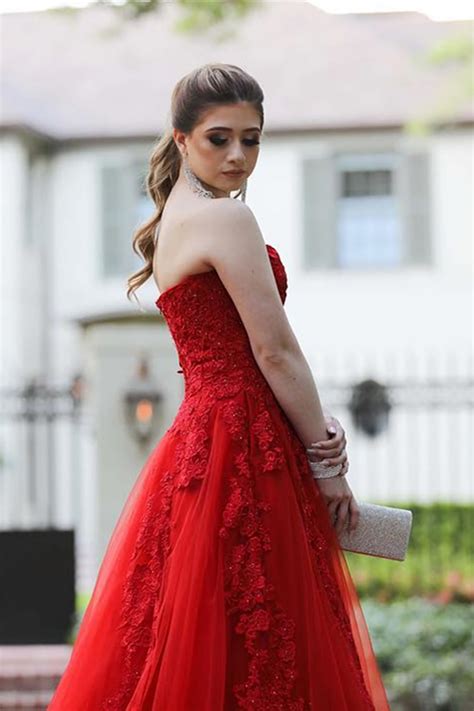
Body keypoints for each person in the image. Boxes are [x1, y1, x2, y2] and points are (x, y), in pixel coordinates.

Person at [48, 63, 390, 710]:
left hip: (202, 439)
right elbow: (276, 351)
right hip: (244, 437)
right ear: (181, 140)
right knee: (263, 628)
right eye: (219, 138)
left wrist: (311, 433)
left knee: (196, 625)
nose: (238, 155)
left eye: (252, 139)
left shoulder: (177, 217)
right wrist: (327, 459)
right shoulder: (229, 221)